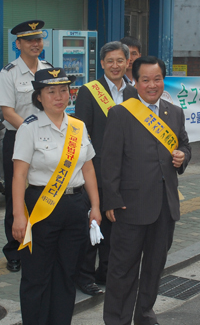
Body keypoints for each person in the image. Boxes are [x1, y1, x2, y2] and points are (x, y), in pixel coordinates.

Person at [102, 55, 191, 325]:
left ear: (164, 80)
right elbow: (109, 161)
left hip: (165, 207)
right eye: (145, 80)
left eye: (157, 79)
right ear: (136, 82)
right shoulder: (120, 113)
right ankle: (117, 320)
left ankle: (144, 316)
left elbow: (185, 146)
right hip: (130, 207)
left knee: (154, 269)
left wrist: (182, 157)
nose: (152, 85)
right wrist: (111, 201)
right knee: (122, 271)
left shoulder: (174, 112)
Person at [11, 67, 101, 325]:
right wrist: (19, 216)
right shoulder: (29, 128)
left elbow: (89, 168)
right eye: (51, 91)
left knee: (66, 273)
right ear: (39, 96)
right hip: (41, 207)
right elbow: (19, 176)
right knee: (36, 274)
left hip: (75, 206)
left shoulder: (78, 126)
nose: (60, 96)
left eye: (64, 90)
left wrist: (95, 206)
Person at [74, 41, 137, 296]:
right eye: (109, 61)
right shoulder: (89, 92)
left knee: (115, 225)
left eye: (120, 60)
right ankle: (84, 275)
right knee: (93, 222)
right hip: (96, 170)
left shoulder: (134, 93)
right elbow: (80, 131)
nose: (115, 65)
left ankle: (106, 272)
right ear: (102, 64)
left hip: (123, 173)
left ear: (127, 62)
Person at [0, 19, 53, 272]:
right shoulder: (8, 73)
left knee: (45, 190)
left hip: (49, 140)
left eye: (38, 39)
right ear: (17, 44)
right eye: (29, 40)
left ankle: (42, 241)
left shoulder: (49, 70)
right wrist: (32, 134)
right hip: (18, 139)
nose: (35, 44)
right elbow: (7, 111)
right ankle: (15, 249)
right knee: (16, 194)